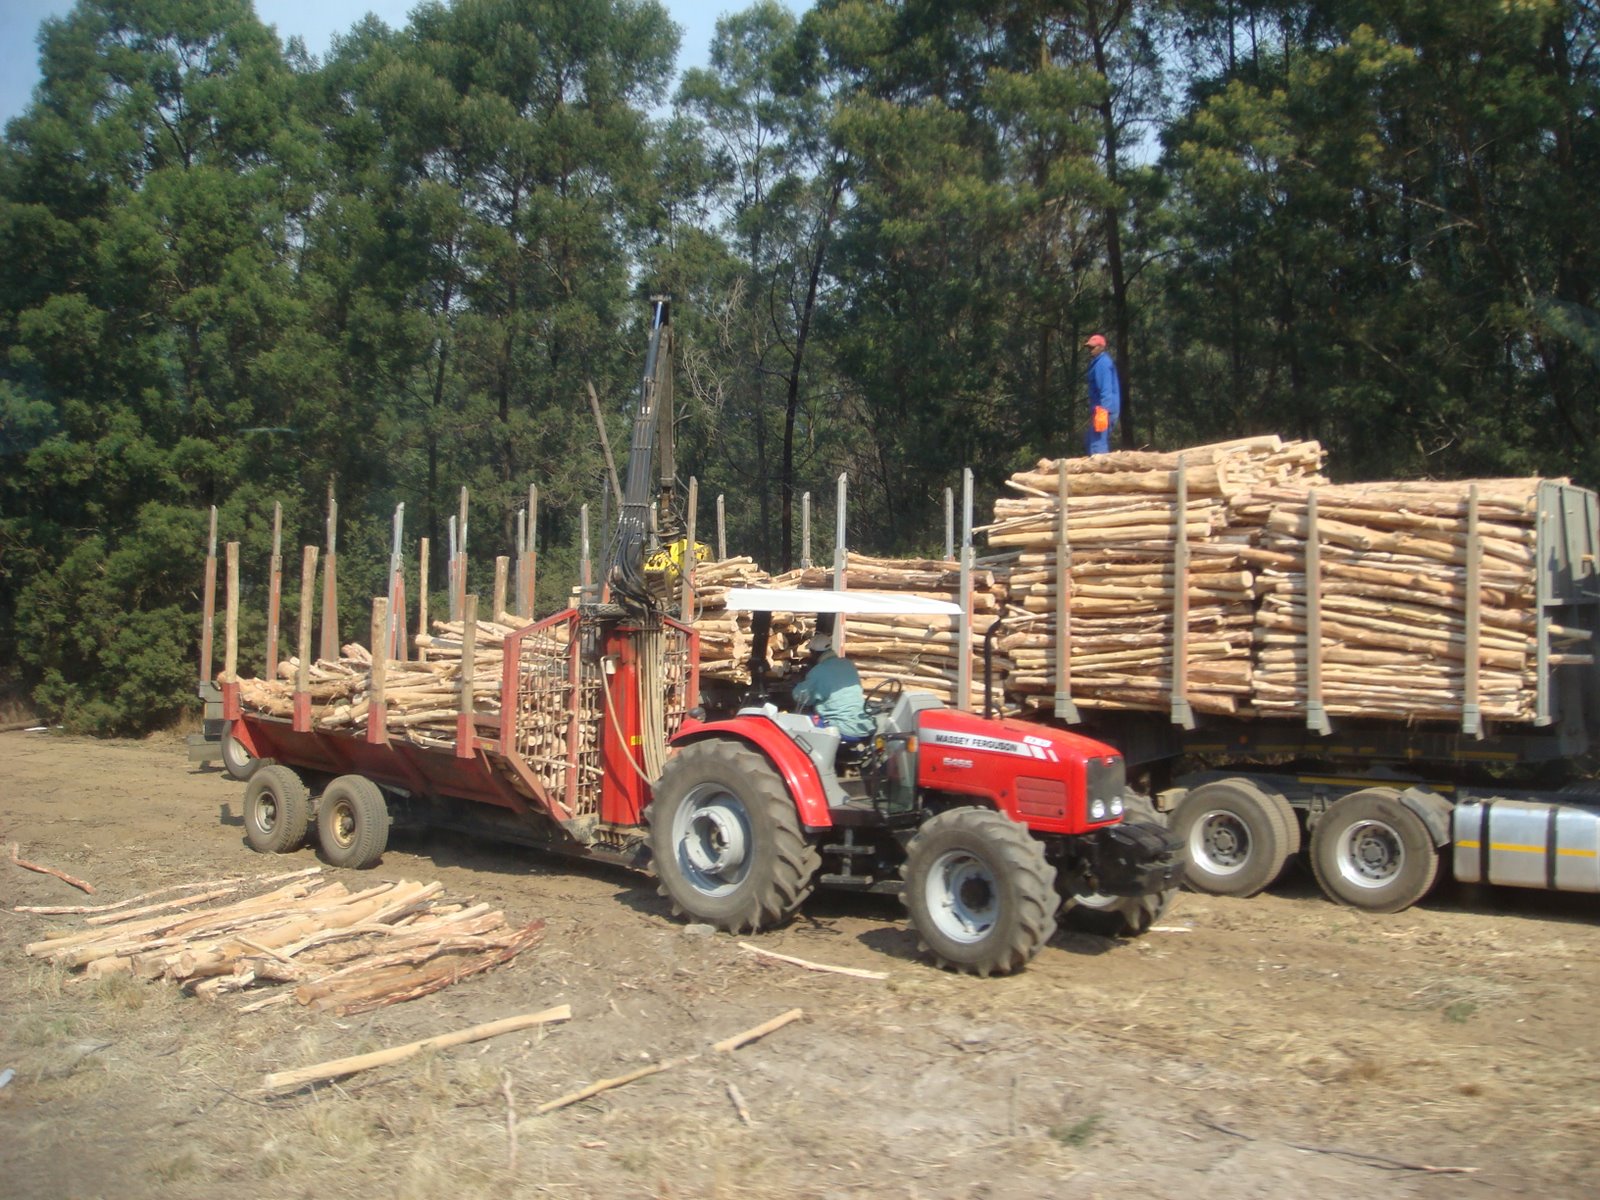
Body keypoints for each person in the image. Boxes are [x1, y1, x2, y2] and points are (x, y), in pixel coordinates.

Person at [791, 632, 874, 739]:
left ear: (814, 653)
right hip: (864, 724)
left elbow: (801, 697)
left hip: (842, 727)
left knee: (801, 723)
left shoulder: (819, 671)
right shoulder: (848, 664)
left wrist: (798, 683)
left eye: (811, 653)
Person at [1084, 333, 1121, 456]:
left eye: (1092, 347)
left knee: (1097, 445)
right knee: (1090, 440)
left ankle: (1100, 467)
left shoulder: (1102, 363)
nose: (1090, 350)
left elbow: (1106, 389)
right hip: (1101, 409)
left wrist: (1103, 412)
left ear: (1101, 347)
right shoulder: (1098, 362)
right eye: (1089, 347)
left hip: (1104, 410)